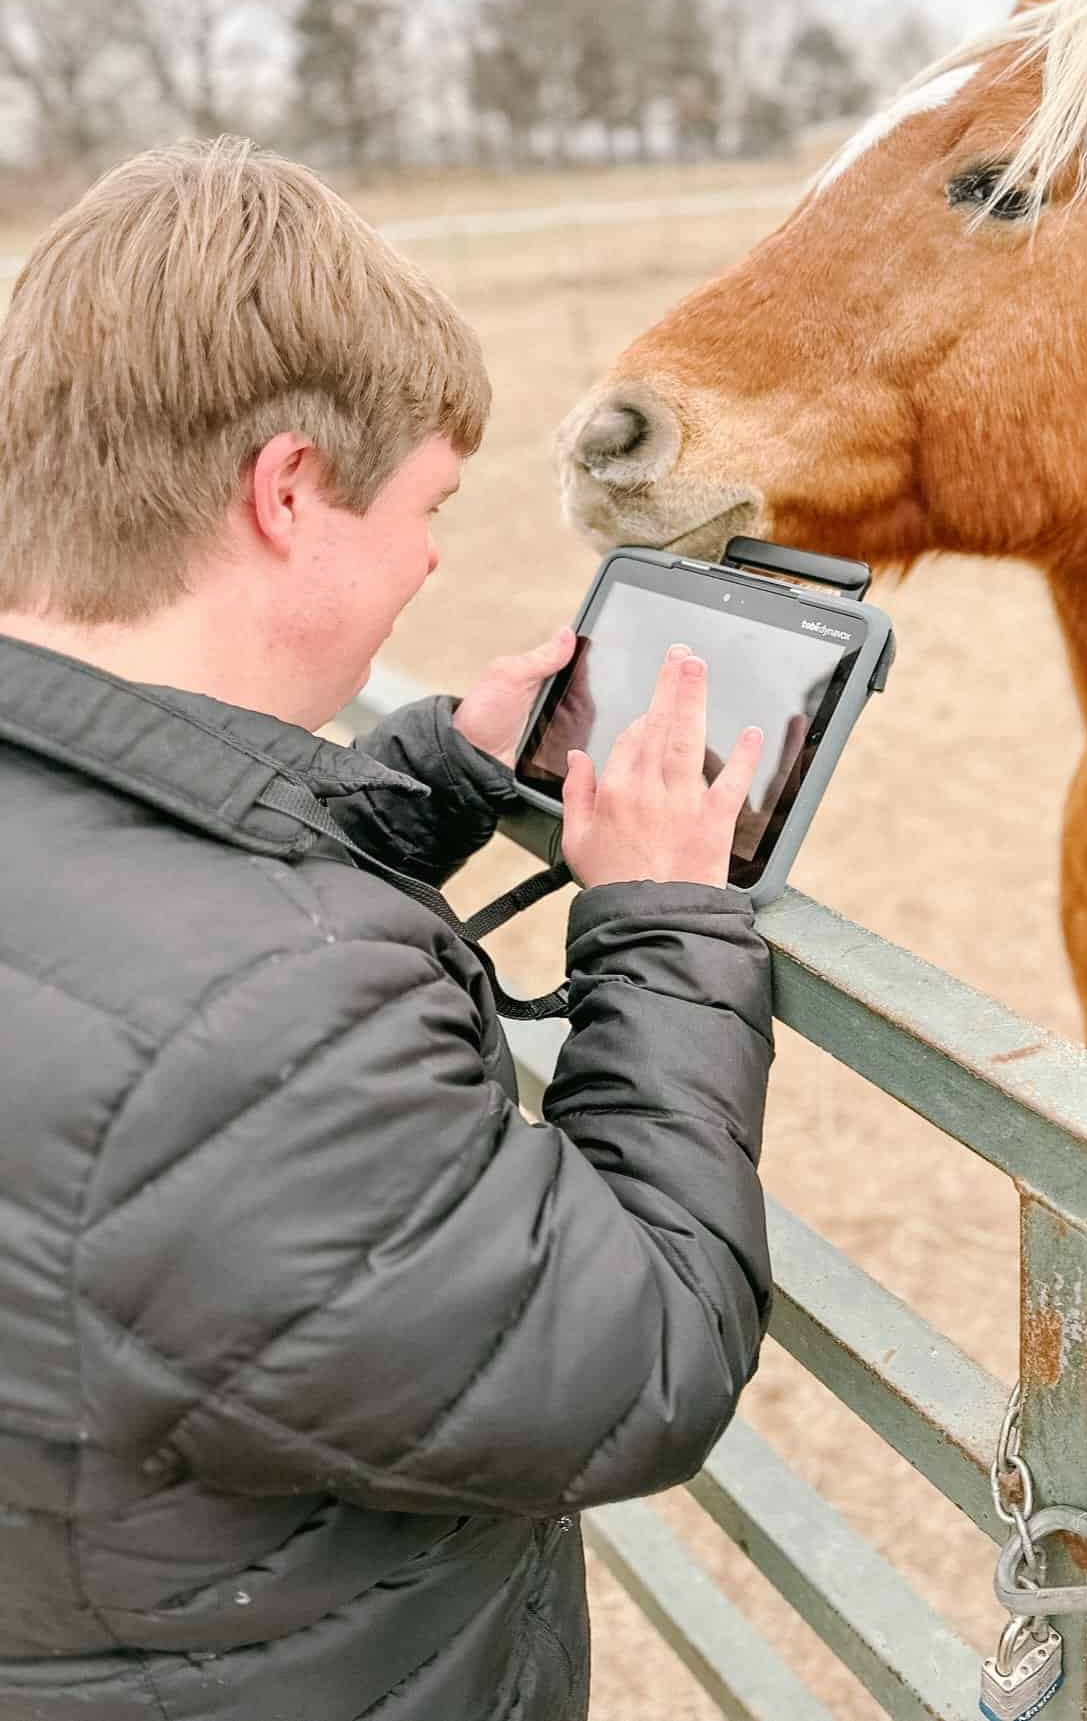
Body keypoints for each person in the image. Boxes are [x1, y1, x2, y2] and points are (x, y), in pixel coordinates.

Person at [0, 139, 773, 1720]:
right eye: (429, 502)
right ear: (287, 491)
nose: (431, 556)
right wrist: (662, 920)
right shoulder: (272, 1033)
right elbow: (650, 1345)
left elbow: (142, 878)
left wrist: (429, 772)